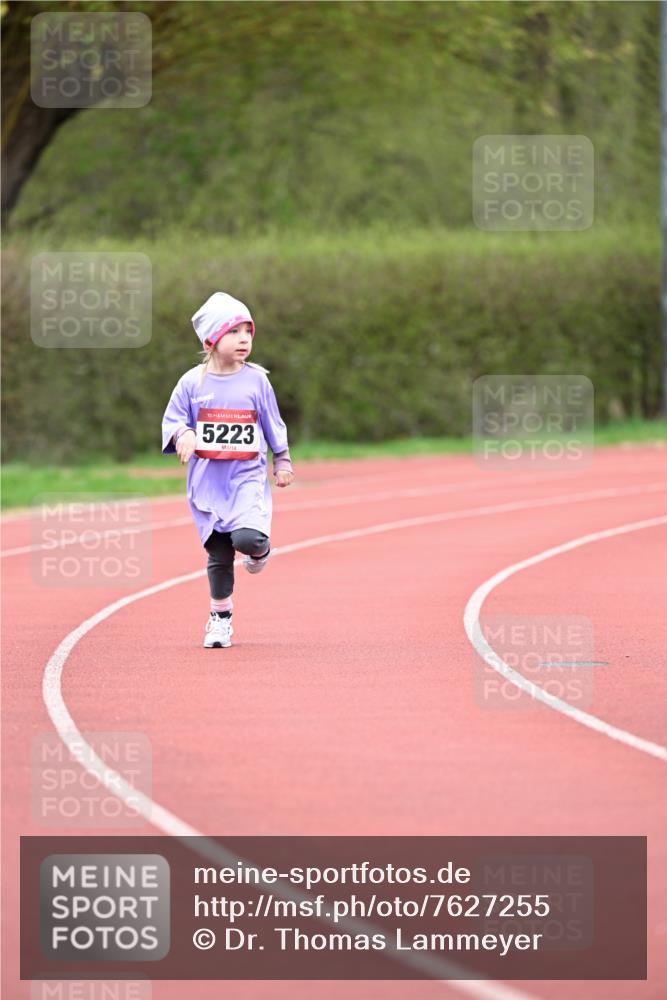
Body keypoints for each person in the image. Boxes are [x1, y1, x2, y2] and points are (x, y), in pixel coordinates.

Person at [161, 292, 294, 648]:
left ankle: (261, 552)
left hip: (246, 478)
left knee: (247, 540)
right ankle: (220, 620)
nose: (244, 339)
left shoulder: (257, 381)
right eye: (234, 332)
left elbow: (272, 421)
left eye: (248, 331)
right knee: (219, 553)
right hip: (208, 482)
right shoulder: (192, 383)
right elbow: (173, 420)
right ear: (211, 340)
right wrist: (183, 433)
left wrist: (281, 460)